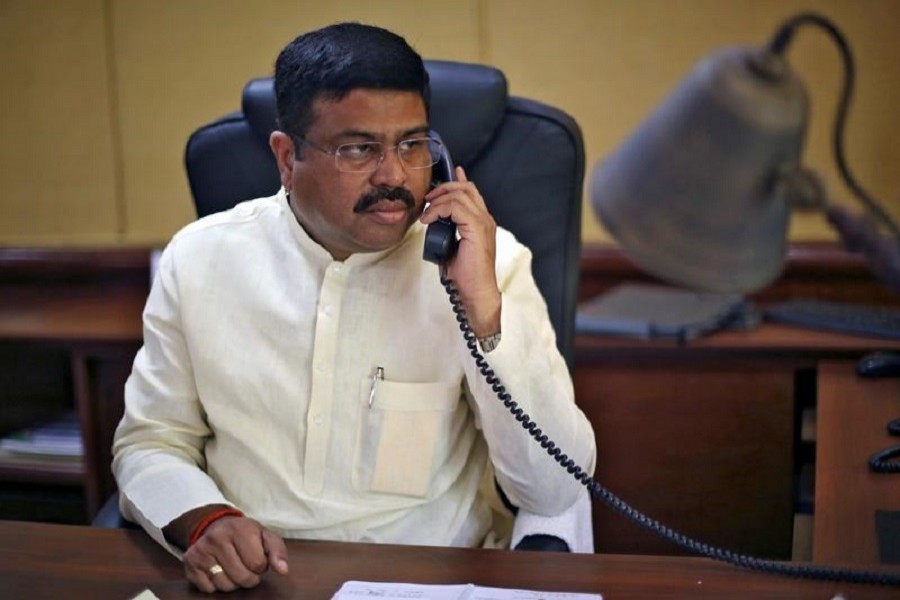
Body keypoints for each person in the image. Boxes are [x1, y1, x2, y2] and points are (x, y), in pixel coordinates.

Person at [112, 22, 596, 594]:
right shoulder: (198, 260)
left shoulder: (488, 264)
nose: (394, 175)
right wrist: (205, 521)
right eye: (359, 149)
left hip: (428, 582)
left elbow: (554, 492)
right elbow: (150, 441)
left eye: (413, 145)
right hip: (256, 583)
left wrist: (484, 311)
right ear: (287, 158)